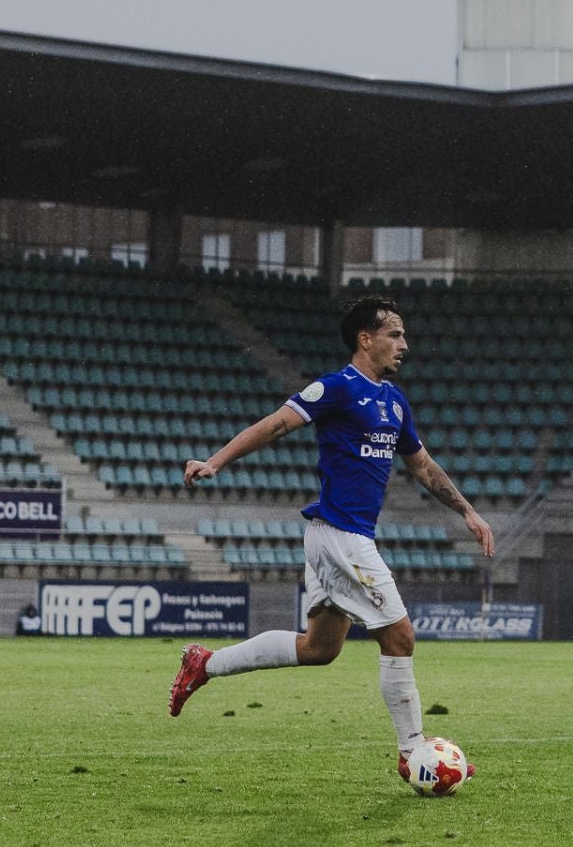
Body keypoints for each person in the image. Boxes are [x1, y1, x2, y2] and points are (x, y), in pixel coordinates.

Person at [169, 295, 495, 786]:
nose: (403, 344)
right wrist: (216, 461)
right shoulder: (338, 387)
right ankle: (413, 753)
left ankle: (206, 663)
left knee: (319, 648)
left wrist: (467, 511)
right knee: (401, 636)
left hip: (338, 537)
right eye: (394, 334)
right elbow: (277, 423)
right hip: (341, 536)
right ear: (366, 339)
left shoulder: (394, 401)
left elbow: (422, 466)